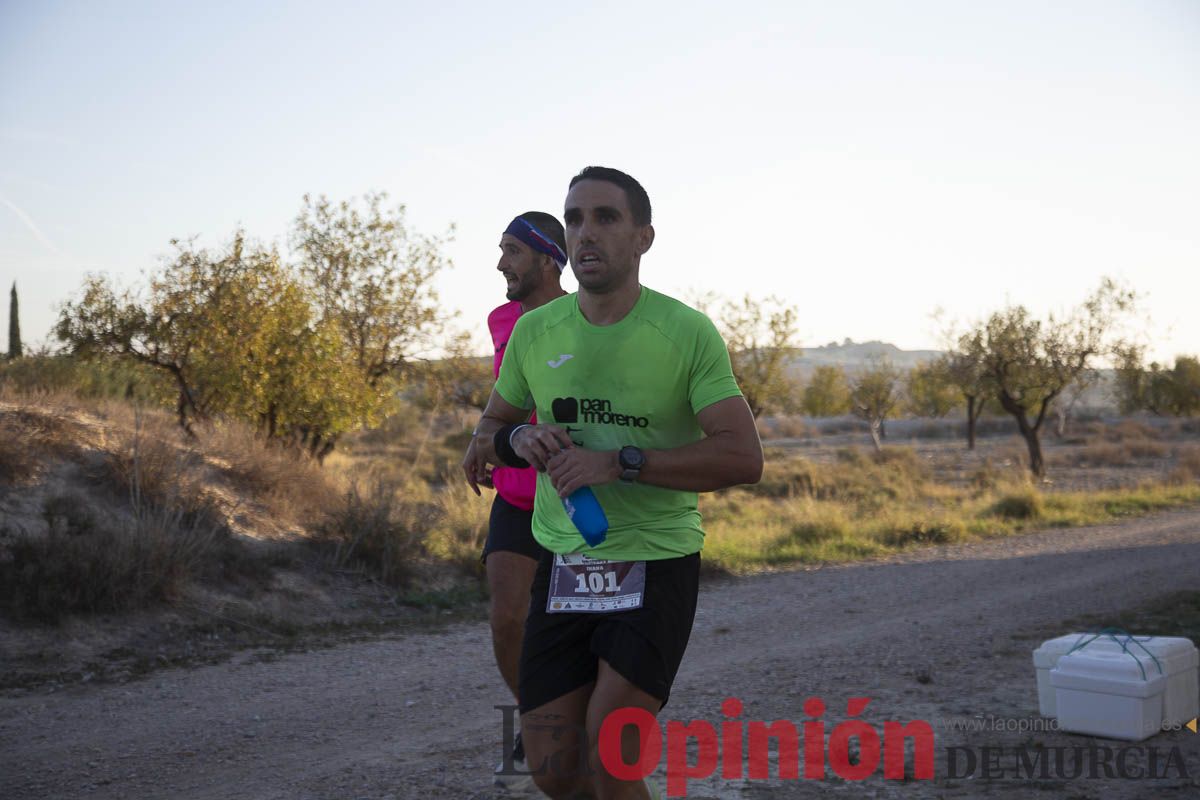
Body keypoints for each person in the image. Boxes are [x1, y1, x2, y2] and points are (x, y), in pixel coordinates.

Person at [463, 167, 764, 799]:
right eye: (574, 220)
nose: (585, 233)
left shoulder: (685, 332)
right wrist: (518, 441)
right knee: (553, 769)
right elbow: (490, 429)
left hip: (654, 559)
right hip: (564, 562)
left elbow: (742, 457)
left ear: (643, 238)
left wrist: (621, 462)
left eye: (605, 217)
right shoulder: (534, 331)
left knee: (609, 749)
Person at [462, 211, 568, 790]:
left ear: (547, 260)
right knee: (507, 617)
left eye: (511, 251)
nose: (500, 262)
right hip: (515, 491)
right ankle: (537, 713)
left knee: (571, 625)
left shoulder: (584, 317)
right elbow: (503, 395)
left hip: (571, 493)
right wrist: (481, 439)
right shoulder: (501, 320)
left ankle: (572, 720)